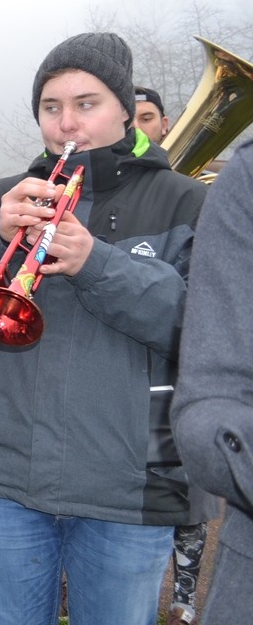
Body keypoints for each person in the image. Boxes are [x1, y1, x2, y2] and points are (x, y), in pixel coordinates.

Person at [0, 32, 207, 625]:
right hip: (7, 479)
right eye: (51, 107)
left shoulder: (187, 202)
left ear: (125, 110)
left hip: (128, 489)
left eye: (87, 104)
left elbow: (203, 331)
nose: (67, 123)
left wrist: (96, 263)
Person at [131, 83, 222, 625]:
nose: (137, 126)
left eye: (147, 117)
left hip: (184, 372)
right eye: (130, 117)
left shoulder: (198, 196)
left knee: (187, 492)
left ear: (165, 124)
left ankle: (184, 599)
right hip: (132, 370)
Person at [172, 137, 253, 625]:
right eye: (51, 107)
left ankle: (183, 597)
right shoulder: (245, 178)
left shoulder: (187, 196)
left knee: (190, 518)